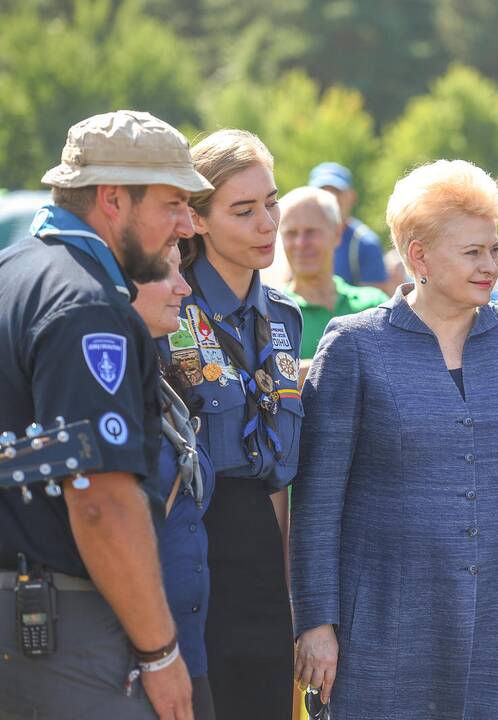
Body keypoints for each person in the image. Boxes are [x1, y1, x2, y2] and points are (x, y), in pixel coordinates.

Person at [291, 159, 498, 720]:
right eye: (472, 252)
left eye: (494, 250)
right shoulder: (355, 346)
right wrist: (316, 621)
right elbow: (318, 502)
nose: (491, 266)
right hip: (380, 625)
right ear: (418, 255)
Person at [0, 110, 211, 719]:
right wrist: (159, 653)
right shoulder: (88, 308)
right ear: (113, 199)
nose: (184, 223)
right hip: (67, 635)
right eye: (172, 202)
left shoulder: (15, 273)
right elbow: (100, 500)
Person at [175, 129, 302, 719]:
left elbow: (276, 480)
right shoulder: (166, 312)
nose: (267, 224)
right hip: (189, 546)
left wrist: (294, 595)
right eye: (244, 210)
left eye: (272, 202)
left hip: (262, 553)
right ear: (197, 220)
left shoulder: (284, 318)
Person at [133, 245, 217, 720]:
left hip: (188, 650)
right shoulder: (106, 386)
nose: (185, 287)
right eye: (167, 275)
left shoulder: (161, 380)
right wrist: (156, 655)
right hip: (137, 656)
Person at [277, 187, 386, 375]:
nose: (301, 243)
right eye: (291, 233)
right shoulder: (272, 311)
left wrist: (317, 369)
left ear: (337, 234)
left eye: (311, 232)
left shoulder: (374, 307)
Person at [308, 161, 390, 292]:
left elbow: (375, 307)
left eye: (336, 192)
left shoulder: (365, 244)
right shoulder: (298, 240)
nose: (330, 200)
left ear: (352, 196)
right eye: (322, 193)